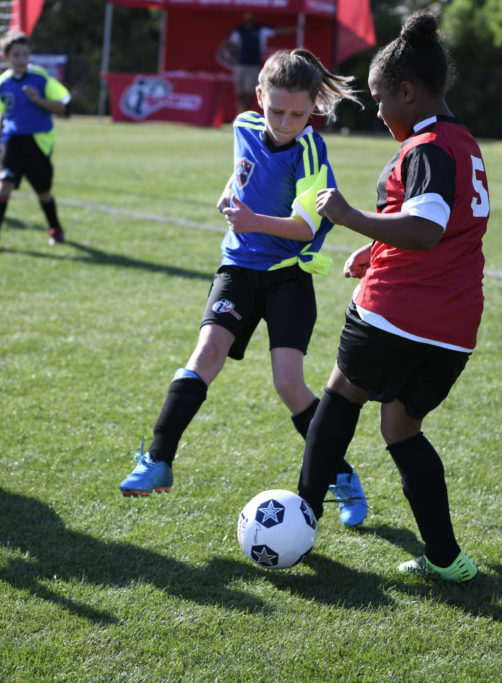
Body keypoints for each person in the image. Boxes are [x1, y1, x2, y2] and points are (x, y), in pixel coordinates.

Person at [119, 49, 369, 526]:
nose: (286, 122)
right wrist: (229, 191)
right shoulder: (243, 127)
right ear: (259, 98)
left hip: (288, 276)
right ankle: (157, 460)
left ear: (312, 108)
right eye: (276, 110)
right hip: (237, 266)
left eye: (299, 114)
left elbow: (305, 224)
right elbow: (243, 171)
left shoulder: (311, 150)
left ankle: (340, 474)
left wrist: (253, 219)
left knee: (289, 384)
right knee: (206, 353)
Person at [296, 11, 489, 582]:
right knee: (401, 429)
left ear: (409, 91)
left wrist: (350, 217)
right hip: (454, 327)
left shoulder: (425, 146)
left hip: (398, 313)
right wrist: (376, 251)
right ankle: (448, 559)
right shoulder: (464, 141)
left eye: (381, 100)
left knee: (339, 396)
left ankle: (299, 521)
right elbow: (439, 230)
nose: (379, 113)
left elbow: (426, 230)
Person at [0, 30, 71, 252]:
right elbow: (2, 114)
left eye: (25, 54)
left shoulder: (41, 77)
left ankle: (55, 228)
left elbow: (62, 105)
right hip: (12, 143)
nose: (21, 59)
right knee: (3, 188)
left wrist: (38, 100)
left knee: (43, 193)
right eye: (16, 55)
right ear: (6, 58)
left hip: (37, 143)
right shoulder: (2, 83)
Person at [219, 14, 296, 115]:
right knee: (240, 94)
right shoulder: (239, 30)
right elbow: (229, 43)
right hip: (240, 65)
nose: (249, 21)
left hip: (253, 65)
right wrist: (232, 55)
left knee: (249, 93)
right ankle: (240, 114)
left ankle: (245, 114)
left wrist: (295, 28)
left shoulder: (260, 29)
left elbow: (277, 30)